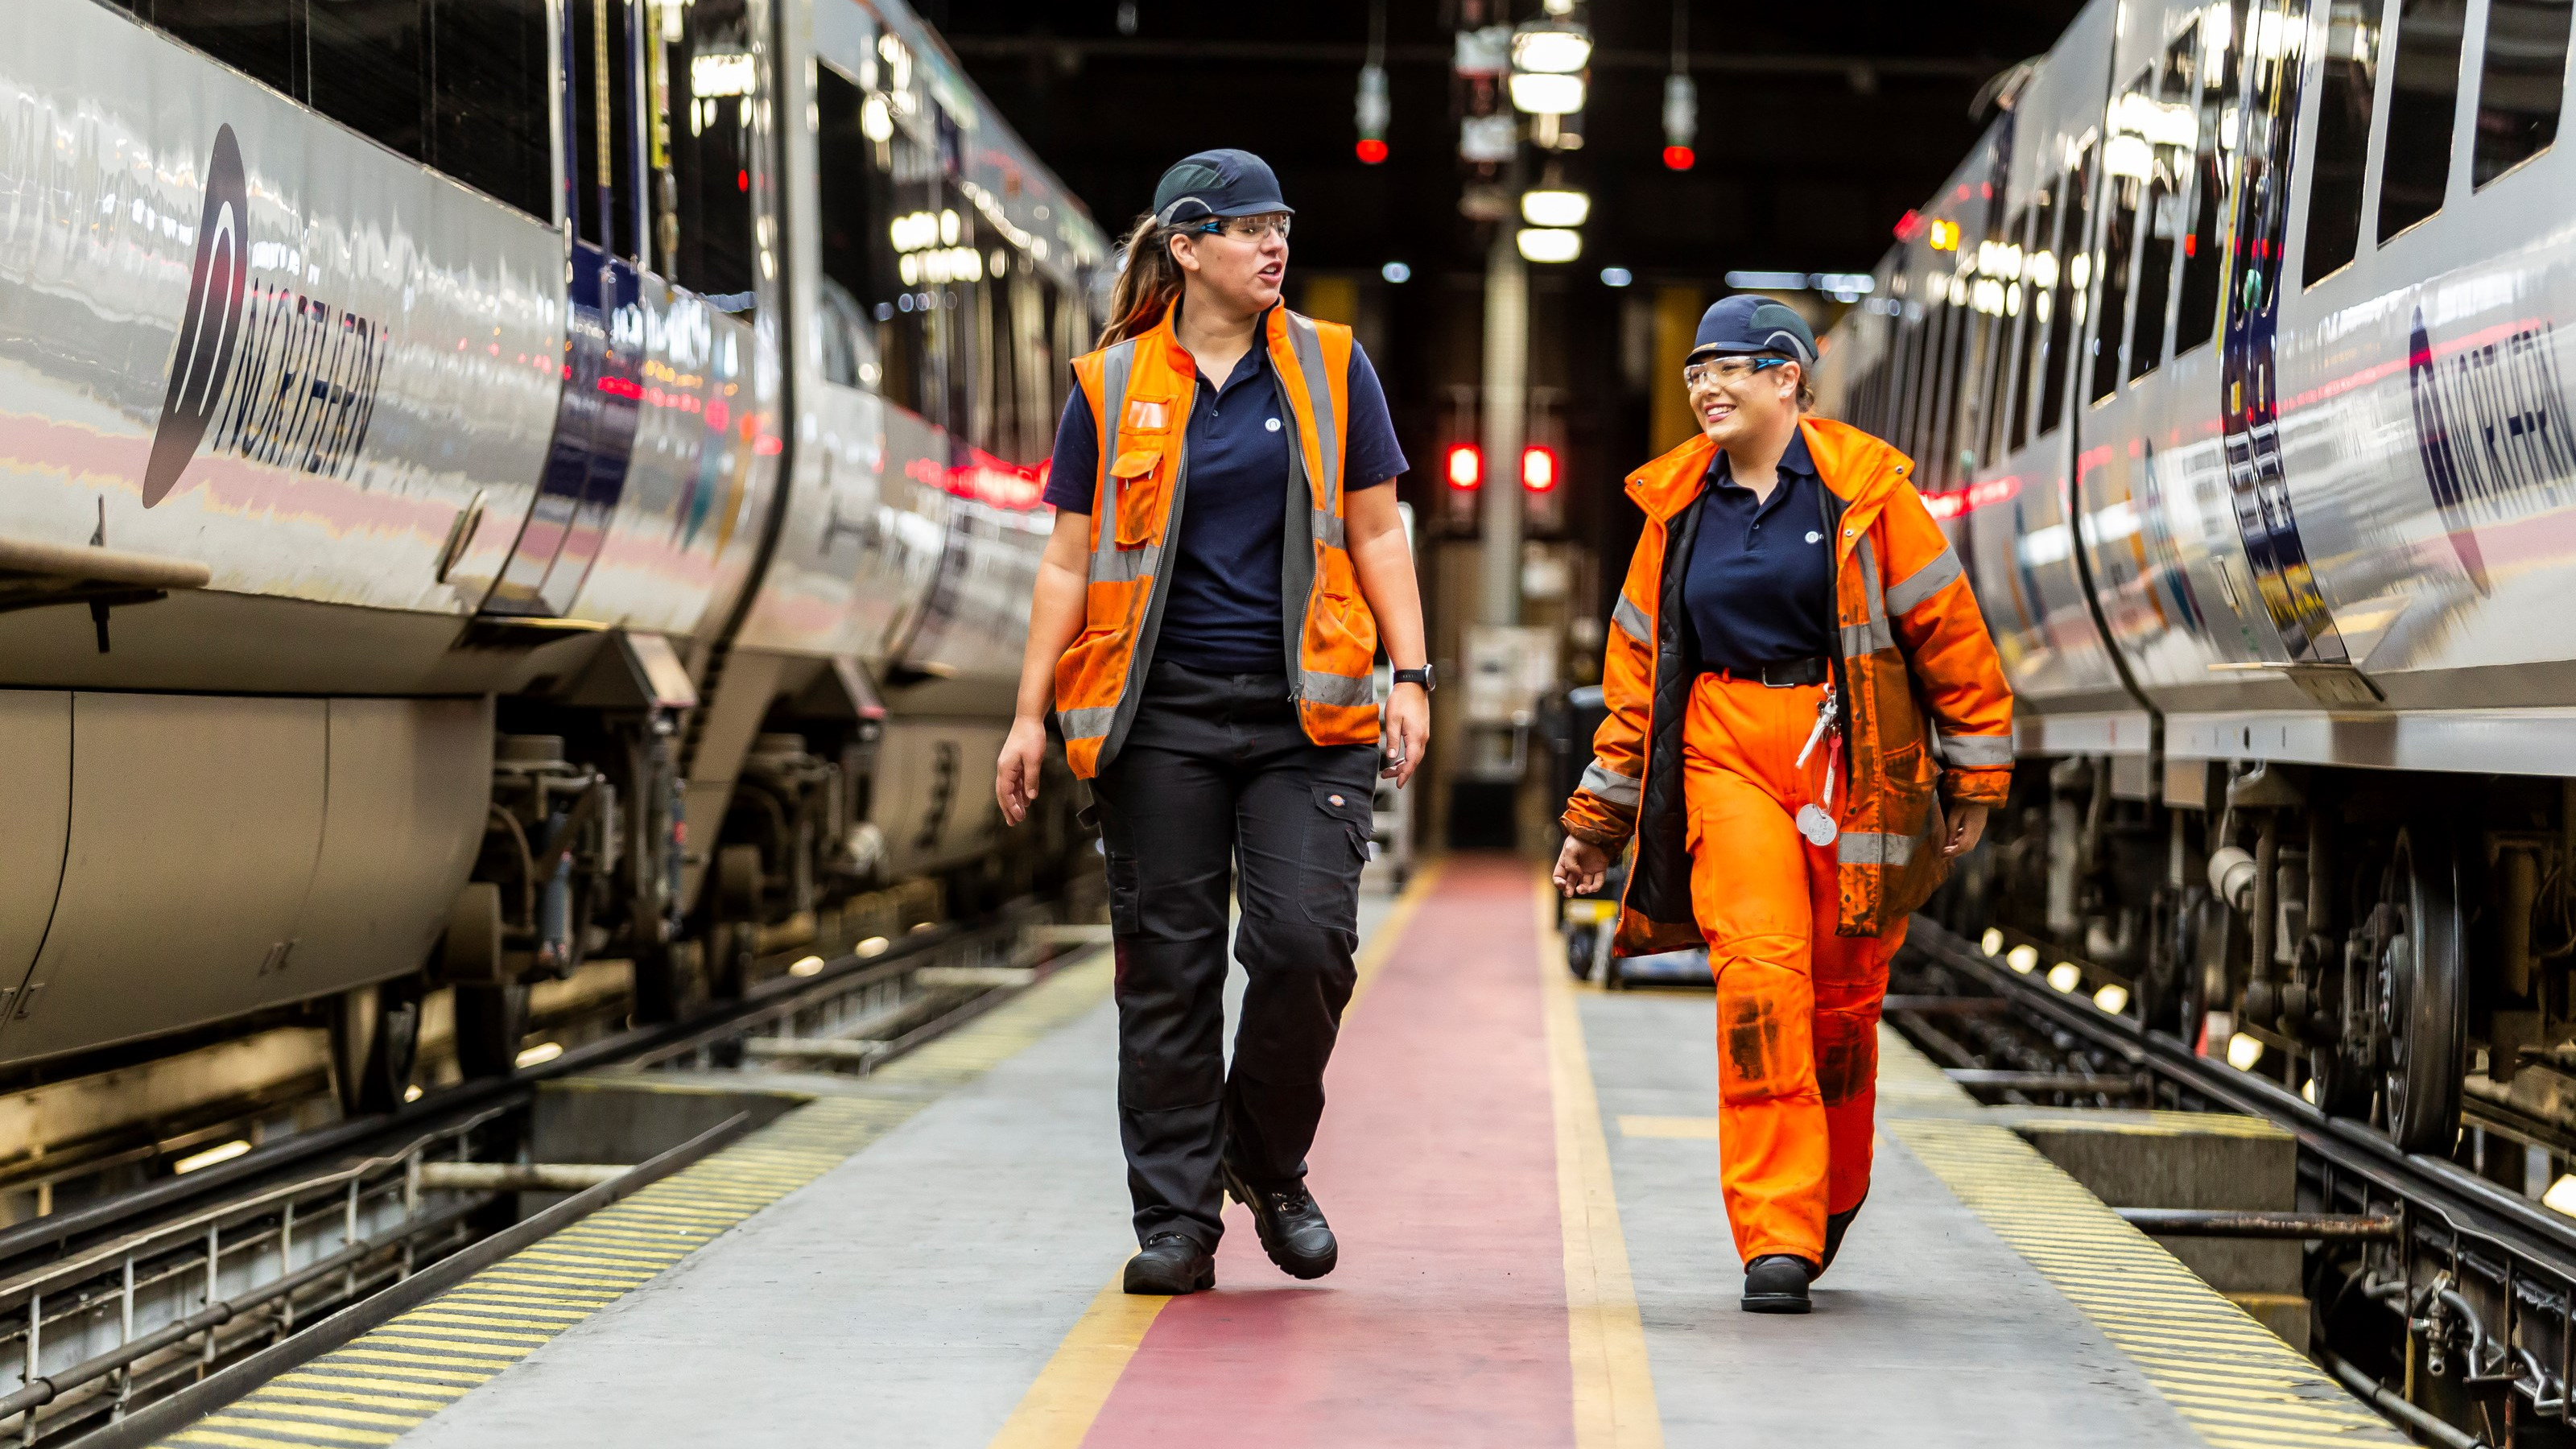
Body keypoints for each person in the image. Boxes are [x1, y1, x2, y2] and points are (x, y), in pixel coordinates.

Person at [995, 149, 1430, 1296]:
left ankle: (1265, 1160)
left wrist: (1415, 673)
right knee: (1168, 977)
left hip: (1311, 717)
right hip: (1160, 721)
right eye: (1246, 229)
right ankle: (1178, 1221)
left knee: (1304, 948)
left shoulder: (1336, 368)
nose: (1273, 244)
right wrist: (1027, 714)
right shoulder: (1110, 383)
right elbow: (1068, 560)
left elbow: (1381, 534)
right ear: (1187, 250)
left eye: (1281, 224)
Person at [1553, 295, 2013, 1314]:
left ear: (1787, 380)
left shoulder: (1867, 494)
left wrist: (1974, 775)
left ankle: (1829, 1193)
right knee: (1760, 980)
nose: (1704, 388)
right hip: (1725, 745)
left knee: (1843, 999)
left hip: (1850, 751)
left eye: (1729, 370)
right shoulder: (1674, 513)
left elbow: (1947, 631)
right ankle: (1775, 1231)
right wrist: (1597, 818)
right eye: (1694, 374)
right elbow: (1636, 676)